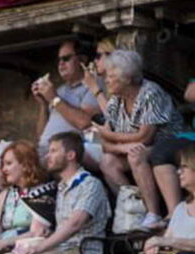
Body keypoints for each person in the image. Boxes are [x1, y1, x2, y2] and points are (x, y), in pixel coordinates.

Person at [99, 50, 185, 229]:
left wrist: (112, 137)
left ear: (127, 78)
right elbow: (104, 144)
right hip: (141, 149)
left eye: (111, 76)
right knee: (107, 162)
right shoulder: (115, 101)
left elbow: (145, 137)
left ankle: (154, 213)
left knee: (136, 155)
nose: (106, 80)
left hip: (169, 146)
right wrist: (122, 147)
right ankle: (136, 208)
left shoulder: (150, 93)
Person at [128, 142, 195, 254]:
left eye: (184, 167)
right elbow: (167, 242)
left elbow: (170, 240)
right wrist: (156, 247)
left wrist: (166, 241)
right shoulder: (181, 208)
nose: (178, 172)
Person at [32, 39, 102, 167]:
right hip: (44, 149)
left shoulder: (92, 86)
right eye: (58, 60)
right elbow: (40, 135)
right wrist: (43, 104)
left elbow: (85, 123)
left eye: (66, 58)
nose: (61, 64)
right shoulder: (59, 90)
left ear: (82, 60)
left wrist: (54, 99)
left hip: (67, 153)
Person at [82, 37, 116, 115]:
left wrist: (94, 87)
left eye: (98, 56)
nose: (95, 61)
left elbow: (113, 116)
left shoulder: (120, 80)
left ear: (110, 56)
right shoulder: (103, 80)